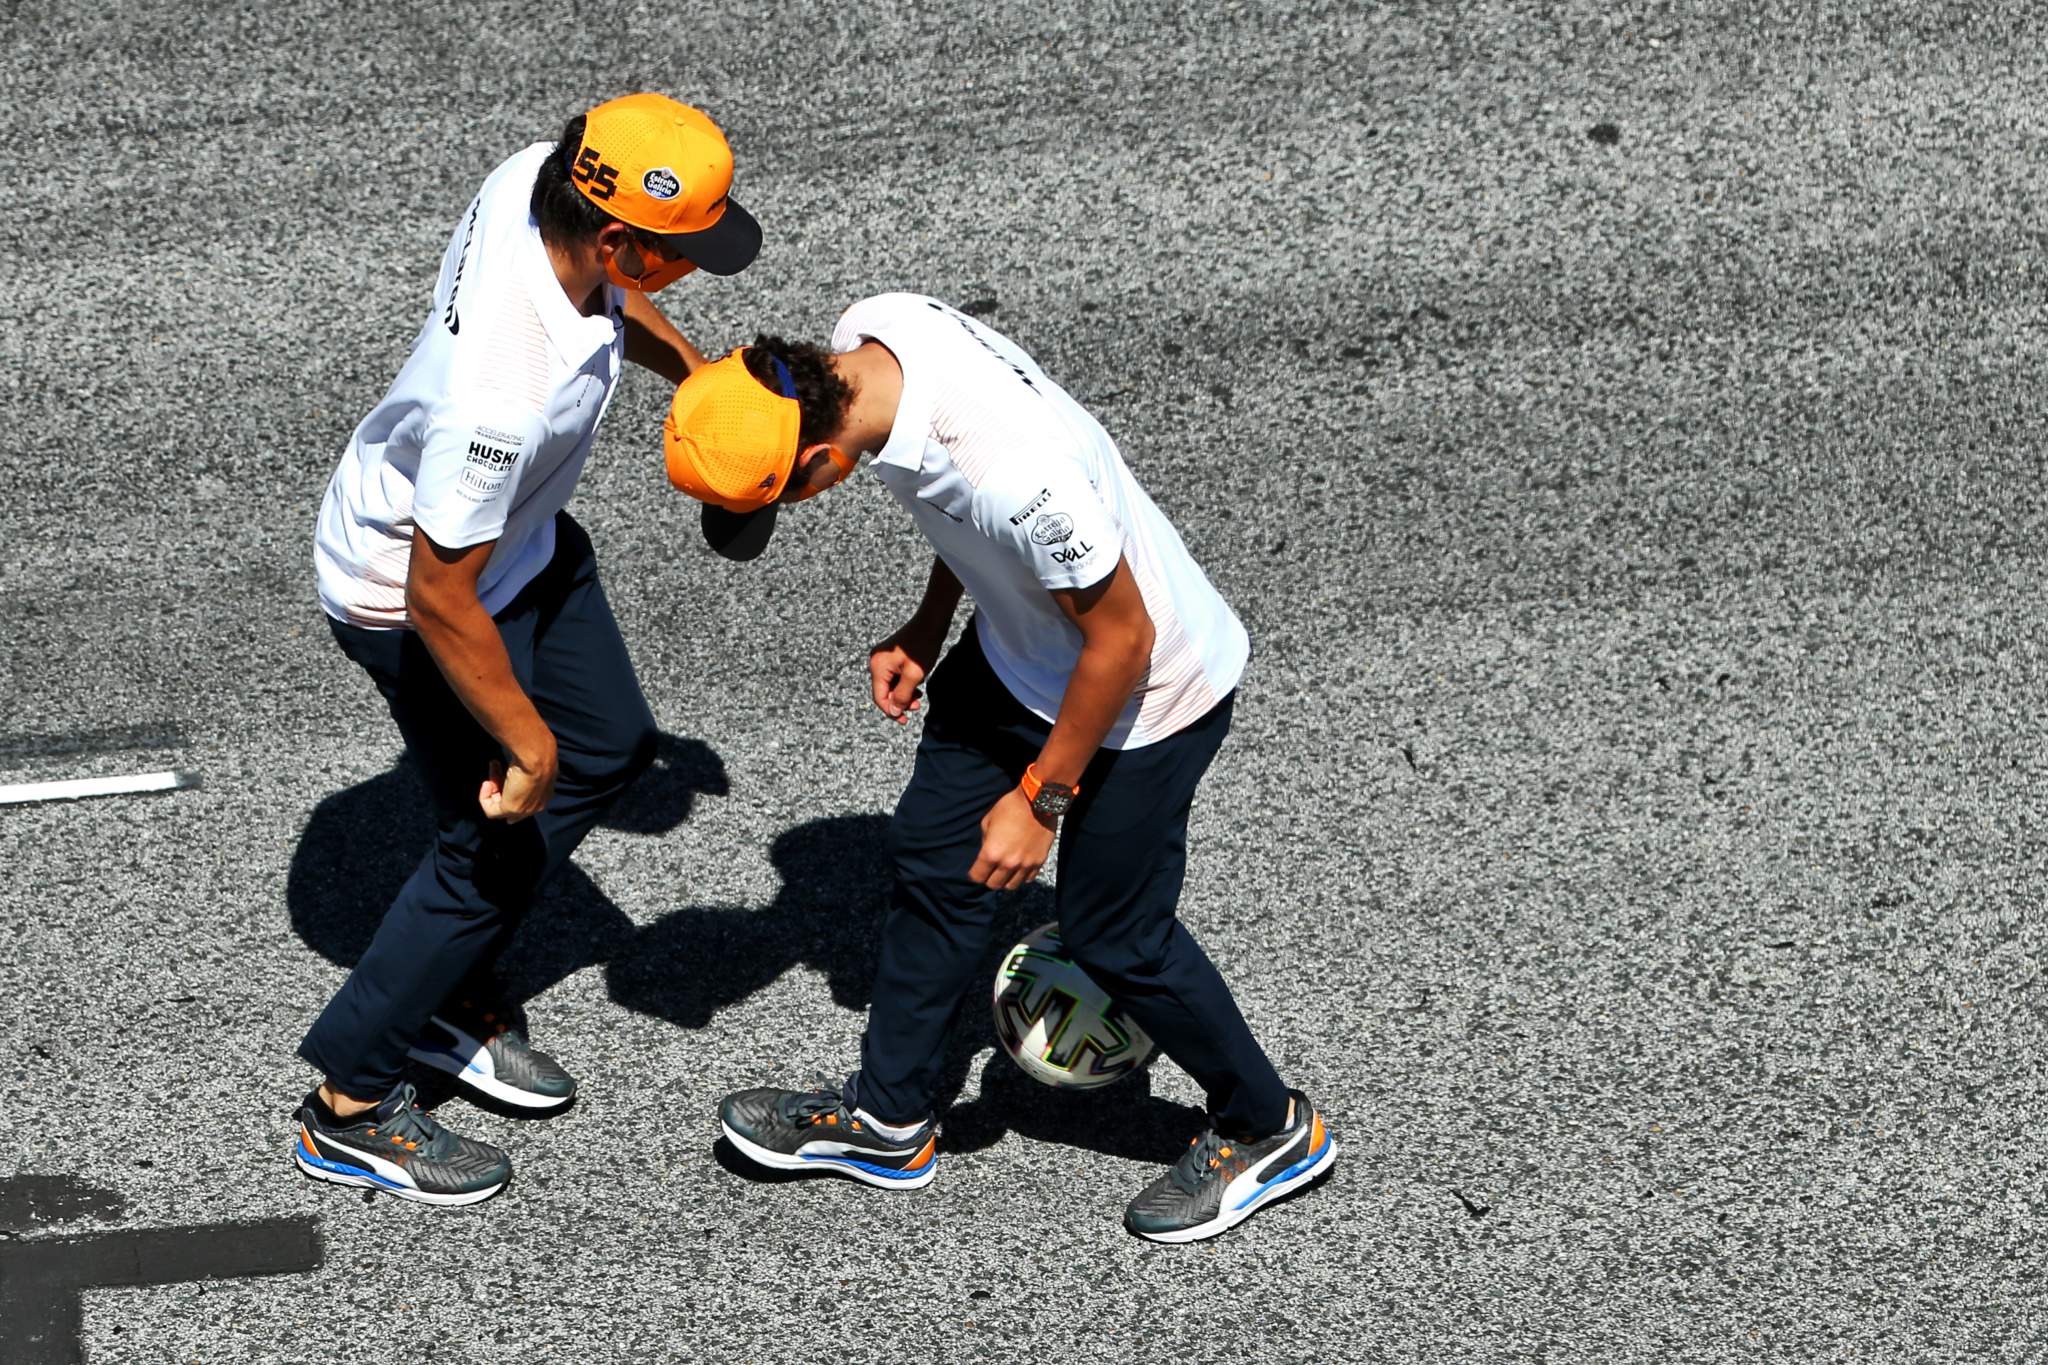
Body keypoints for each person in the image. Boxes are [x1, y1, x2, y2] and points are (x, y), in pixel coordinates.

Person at [661, 294, 1336, 1242]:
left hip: (1146, 694)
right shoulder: (876, 336)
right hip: (1013, 655)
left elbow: (1123, 638)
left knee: (1116, 937)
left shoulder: (1016, 470)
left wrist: (1039, 797)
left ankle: (1270, 1126)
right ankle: (889, 1119)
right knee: (933, 859)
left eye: (785, 503)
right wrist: (930, 624)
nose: (796, 511)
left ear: (816, 462)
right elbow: (960, 515)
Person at [293, 93, 761, 1205]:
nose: (685, 267)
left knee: (609, 743)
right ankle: (350, 1103)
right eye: (679, 251)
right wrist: (521, 743)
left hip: (521, 545)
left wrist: (696, 383)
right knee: (492, 837)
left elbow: (614, 296)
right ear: (611, 230)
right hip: (416, 596)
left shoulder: (533, 180)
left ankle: (447, 990)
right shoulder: (501, 396)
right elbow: (438, 594)